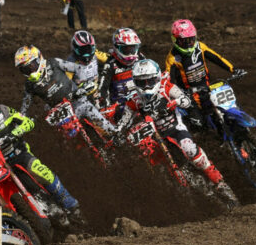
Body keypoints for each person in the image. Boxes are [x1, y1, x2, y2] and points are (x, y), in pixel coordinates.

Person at [115, 59, 236, 204]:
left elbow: (185, 100)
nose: (147, 86)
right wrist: (117, 133)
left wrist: (175, 102)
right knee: (158, 167)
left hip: (175, 129)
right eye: (142, 82)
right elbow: (123, 121)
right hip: (155, 137)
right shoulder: (134, 99)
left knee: (190, 149)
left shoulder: (165, 87)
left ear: (157, 78)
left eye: (150, 81)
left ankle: (219, 181)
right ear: (136, 82)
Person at [0, 86, 85, 224]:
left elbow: (27, 122)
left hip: (18, 153)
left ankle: (71, 205)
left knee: (40, 171)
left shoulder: (3, 111)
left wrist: (13, 134)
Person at [163, 19, 236, 127]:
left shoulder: (200, 47)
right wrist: (177, 95)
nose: (188, 44)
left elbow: (217, 58)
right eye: (184, 41)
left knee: (224, 108)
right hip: (189, 94)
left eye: (191, 40)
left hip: (207, 88)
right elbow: (169, 81)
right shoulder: (172, 58)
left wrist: (233, 69)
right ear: (176, 40)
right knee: (199, 123)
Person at [54, 31, 118, 134]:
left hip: (96, 91)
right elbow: (65, 84)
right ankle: (108, 132)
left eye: (89, 49)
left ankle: (112, 131)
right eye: (83, 50)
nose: (87, 53)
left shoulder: (96, 53)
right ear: (75, 49)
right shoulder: (70, 63)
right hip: (81, 97)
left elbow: (108, 58)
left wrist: (117, 57)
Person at [99, 27, 144, 106]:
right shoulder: (110, 64)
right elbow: (103, 88)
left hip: (141, 101)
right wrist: (106, 106)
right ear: (116, 48)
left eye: (132, 49)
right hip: (120, 107)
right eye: (126, 49)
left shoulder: (140, 58)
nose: (130, 53)